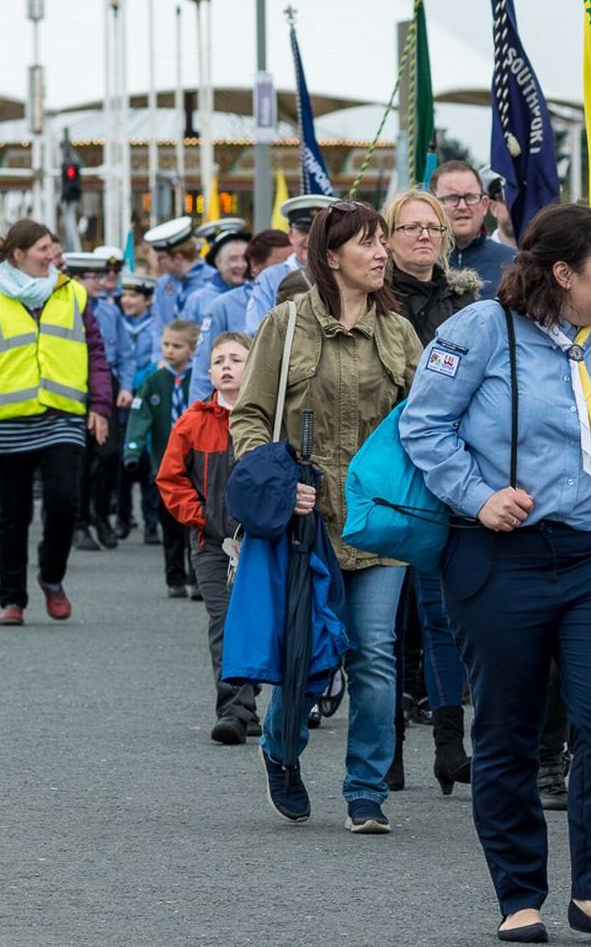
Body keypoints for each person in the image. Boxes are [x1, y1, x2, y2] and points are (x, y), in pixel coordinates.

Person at [400, 204, 591, 945]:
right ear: (563, 272)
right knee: (507, 732)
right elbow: (424, 424)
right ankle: (519, 898)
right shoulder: (480, 328)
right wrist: (478, 498)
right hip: (498, 558)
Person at [232, 199, 421, 835]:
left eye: (382, 243)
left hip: (379, 521)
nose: (380, 253)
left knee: (374, 654)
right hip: (305, 523)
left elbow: (427, 425)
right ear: (331, 254)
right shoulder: (285, 325)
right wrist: (283, 487)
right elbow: (250, 418)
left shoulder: (399, 333)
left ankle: (366, 790)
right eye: (368, 243)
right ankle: (280, 752)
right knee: (304, 652)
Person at [0, 220, 113, 626]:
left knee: (64, 503)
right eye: (43, 249)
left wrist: (100, 405)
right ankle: (12, 600)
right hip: (7, 420)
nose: (51, 256)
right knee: (14, 512)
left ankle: (51, 575)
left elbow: (95, 353)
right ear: (18, 253)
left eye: (52, 249)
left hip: (62, 414)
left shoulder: (72, 293)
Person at [381, 187, 481, 793]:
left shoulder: (468, 301)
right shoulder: (375, 301)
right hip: (392, 472)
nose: (423, 237)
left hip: (449, 470)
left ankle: (450, 744)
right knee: (388, 619)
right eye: (410, 227)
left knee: (441, 614)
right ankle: (385, 746)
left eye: (433, 227)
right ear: (388, 238)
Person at [158, 330, 259, 743]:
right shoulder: (193, 422)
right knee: (224, 621)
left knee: (258, 622)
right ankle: (233, 709)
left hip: (262, 543)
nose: (227, 367)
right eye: (218, 361)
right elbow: (170, 479)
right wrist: (199, 516)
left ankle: (252, 701)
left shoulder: (268, 418)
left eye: (236, 359)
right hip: (211, 545)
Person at [125, 318, 201, 597]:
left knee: (194, 523)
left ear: (192, 349)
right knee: (169, 523)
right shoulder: (154, 381)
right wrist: (132, 450)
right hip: (164, 463)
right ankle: (175, 580)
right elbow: (139, 415)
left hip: (195, 463)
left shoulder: (200, 379)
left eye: (177, 346)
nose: (169, 350)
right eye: (166, 344)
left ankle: (197, 579)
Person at [64, 251, 125, 551]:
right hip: (73, 383)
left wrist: (124, 386)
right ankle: (80, 522)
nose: (101, 282)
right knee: (80, 457)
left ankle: (101, 514)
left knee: (109, 453)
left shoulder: (110, 310)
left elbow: (123, 353)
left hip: (104, 384)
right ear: (75, 279)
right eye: (93, 277)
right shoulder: (63, 308)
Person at [192, 230, 292, 393]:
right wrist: (199, 414)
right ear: (255, 265)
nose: (288, 271)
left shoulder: (298, 299)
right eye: (282, 265)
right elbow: (203, 369)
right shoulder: (223, 305)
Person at [111, 274, 159, 542]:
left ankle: (151, 521)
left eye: (134, 296)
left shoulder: (153, 327)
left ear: (148, 299)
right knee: (124, 462)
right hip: (123, 398)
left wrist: (138, 384)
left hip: (146, 397)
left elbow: (155, 360)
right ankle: (122, 517)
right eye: (124, 296)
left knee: (149, 459)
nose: (127, 301)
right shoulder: (118, 323)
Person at [433, 160, 517, 300]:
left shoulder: (513, 263)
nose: (462, 206)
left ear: (484, 205)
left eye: (470, 197)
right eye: (452, 198)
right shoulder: (421, 261)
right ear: (433, 205)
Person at [144, 216, 220, 360]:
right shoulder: (163, 284)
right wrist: (159, 359)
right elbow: (157, 326)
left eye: (161, 258)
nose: (158, 263)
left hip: (202, 360)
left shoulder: (213, 279)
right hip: (169, 363)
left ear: (178, 257)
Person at [244, 198, 325, 330]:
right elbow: (257, 331)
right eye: (303, 232)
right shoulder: (269, 278)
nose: (310, 240)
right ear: (291, 236)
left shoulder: (342, 273)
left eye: (317, 232)